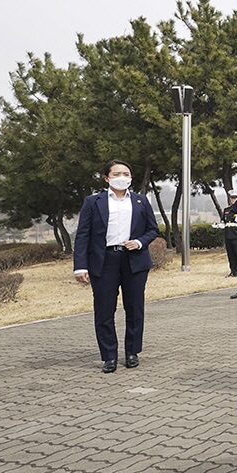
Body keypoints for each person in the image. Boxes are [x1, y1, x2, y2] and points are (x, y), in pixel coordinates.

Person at [73, 159, 160, 373]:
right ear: (106, 178)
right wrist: (80, 266)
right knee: (104, 310)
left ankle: (132, 352)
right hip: (104, 261)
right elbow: (83, 235)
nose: (122, 177)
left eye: (126, 174)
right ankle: (109, 356)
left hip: (134, 260)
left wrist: (139, 242)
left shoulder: (140, 201)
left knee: (135, 308)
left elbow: (152, 229)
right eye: (117, 174)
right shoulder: (93, 202)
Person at [222, 189, 237, 277]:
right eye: (232, 198)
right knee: (231, 254)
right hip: (228, 234)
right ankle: (233, 270)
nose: (233, 199)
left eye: (235, 197)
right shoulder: (227, 209)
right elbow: (223, 220)